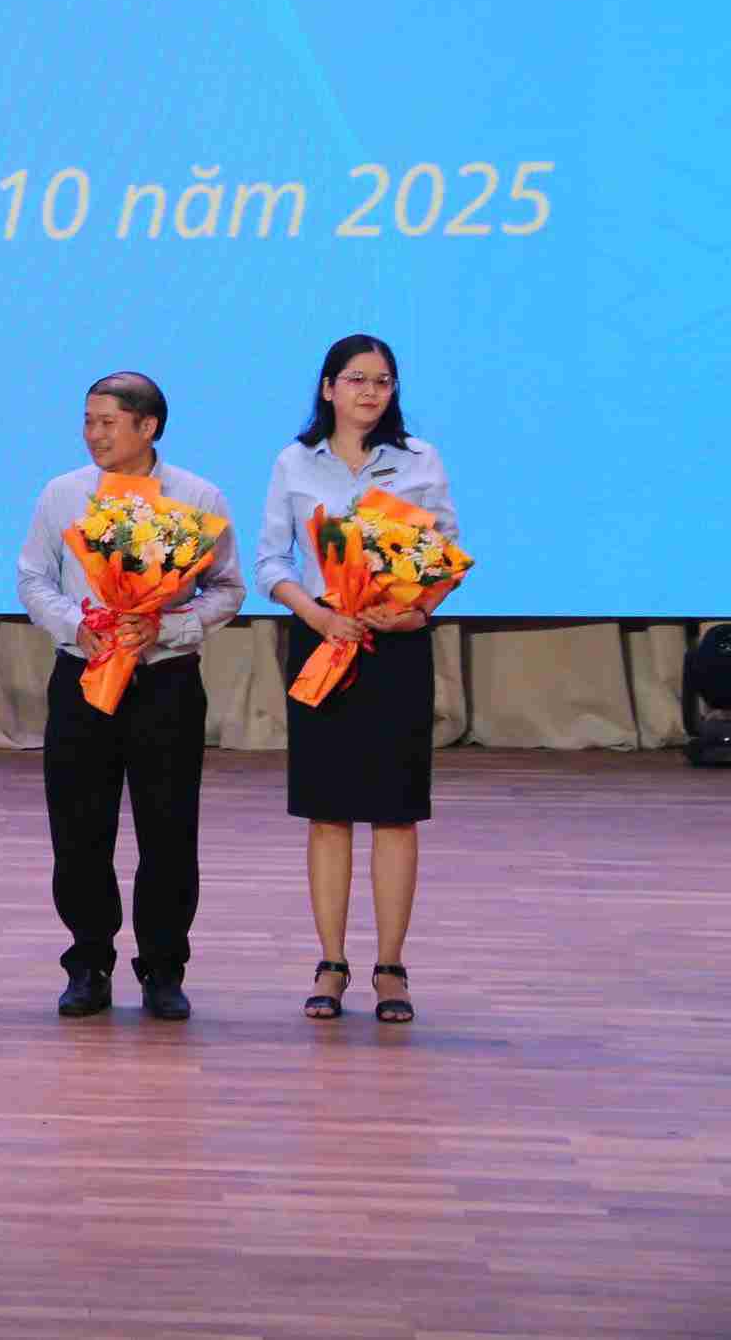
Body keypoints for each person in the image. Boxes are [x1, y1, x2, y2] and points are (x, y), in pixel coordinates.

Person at [15, 372, 244, 1021]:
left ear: (149, 427)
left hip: (164, 683)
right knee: (79, 829)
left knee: (168, 832)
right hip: (82, 678)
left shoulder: (198, 498)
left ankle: (164, 967)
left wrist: (165, 625)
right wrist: (78, 626)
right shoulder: (63, 495)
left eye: (107, 421)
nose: (93, 434)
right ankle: (88, 962)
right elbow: (33, 580)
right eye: (88, 420)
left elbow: (228, 590)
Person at [257, 334, 457, 1027]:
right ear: (327, 388)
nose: (370, 392)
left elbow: (443, 552)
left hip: (395, 648)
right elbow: (270, 561)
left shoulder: (419, 459)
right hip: (321, 645)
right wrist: (314, 612)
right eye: (356, 379)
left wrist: (410, 612)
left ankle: (392, 966)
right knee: (328, 810)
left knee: (397, 811)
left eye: (382, 381)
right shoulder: (294, 460)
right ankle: (332, 962)